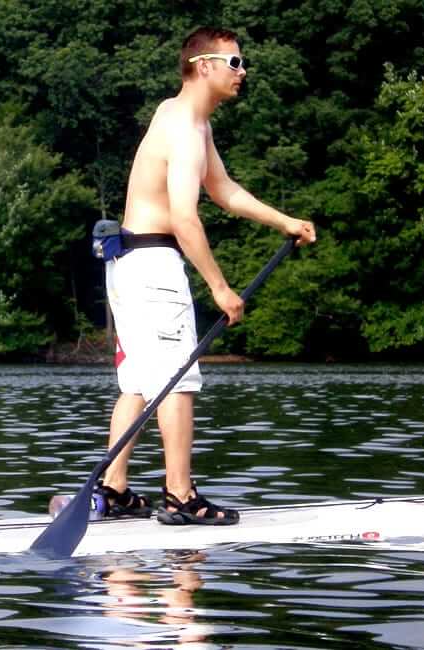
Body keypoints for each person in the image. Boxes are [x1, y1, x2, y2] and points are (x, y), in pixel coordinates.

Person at [96, 27, 316, 525]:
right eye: (235, 63)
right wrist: (220, 287)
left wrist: (284, 221)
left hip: (128, 266)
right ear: (204, 65)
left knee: (139, 381)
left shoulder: (186, 120)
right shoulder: (182, 127)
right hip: (152, 267)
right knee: (177, 381)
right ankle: (179, 496)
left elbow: (223, 190)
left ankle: (113, 491)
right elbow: (183, 216)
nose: (244, 72)